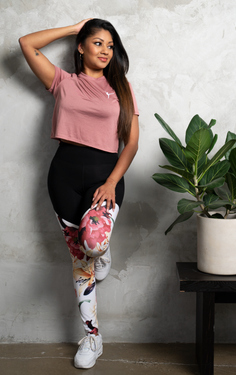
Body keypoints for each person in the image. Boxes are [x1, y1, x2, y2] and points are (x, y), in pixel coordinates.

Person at [19, 18, 139, 369]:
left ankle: (102, 249)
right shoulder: (62, 82)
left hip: (106, 175)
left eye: (111, 45)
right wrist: (75, 26)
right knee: (81, 263)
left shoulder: (121, 86)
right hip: (64, 176)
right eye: (98, 43)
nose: (105, 50)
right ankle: (92, 337)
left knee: (93, 243)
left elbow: (130, 143)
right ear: (82, 47)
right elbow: (27, 42)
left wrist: (112, 181)